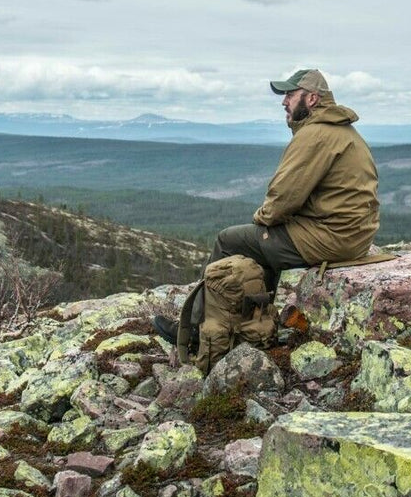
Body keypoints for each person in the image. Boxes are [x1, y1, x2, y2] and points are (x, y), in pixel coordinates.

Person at [156, 68, 380, 366]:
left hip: (330, 238)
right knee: (263, 243)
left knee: (231, 239)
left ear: (312, 99)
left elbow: (282, 199)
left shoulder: (315, 135)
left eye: (290, 94)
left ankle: (197, 330)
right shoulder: (341, 132)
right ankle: (254, 325)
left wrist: (261, 219)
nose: (284, 102)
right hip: (351, 236)